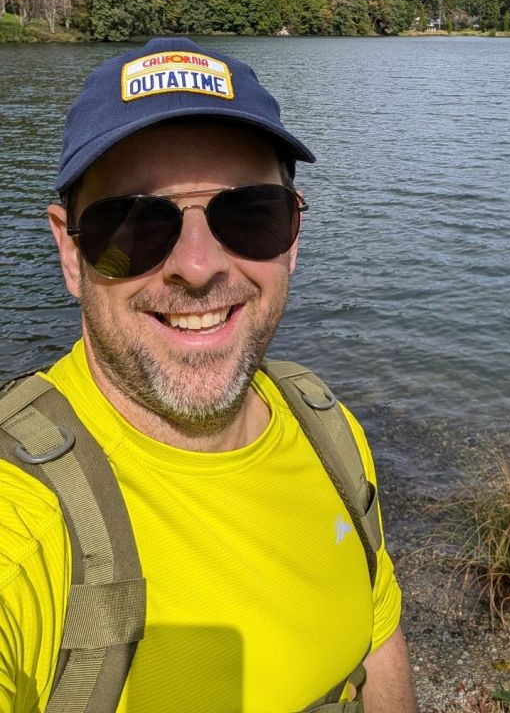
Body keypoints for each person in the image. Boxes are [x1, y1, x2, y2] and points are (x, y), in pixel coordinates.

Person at [0, 37, 417, 713]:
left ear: (294, 235)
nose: (198, 266)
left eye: (249, 214)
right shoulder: (26, 523)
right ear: (70, 254)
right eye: (134, 222)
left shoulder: (325, 428)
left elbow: (376, 636)